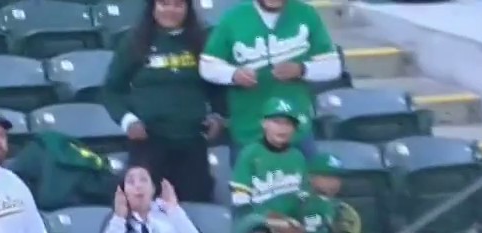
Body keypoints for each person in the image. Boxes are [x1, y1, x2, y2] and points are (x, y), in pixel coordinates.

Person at [103, 0, 222, 204]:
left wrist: (218, 116)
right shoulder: (134, 41)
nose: (171, 10)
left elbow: (217, 87)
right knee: (144, 211)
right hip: (148, 143)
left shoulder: (203, 42)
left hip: (192, 142)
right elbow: (111, 90)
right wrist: (128, 121)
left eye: (178, 5)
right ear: (153, 7)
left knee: (195, 208)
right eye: (164, 4)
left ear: (188, 9)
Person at [199, 0, 339, 156]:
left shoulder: (306, 14)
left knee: (306, 178)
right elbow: (207, 66)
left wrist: (302, 69)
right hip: (249, 128)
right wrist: (233, 75)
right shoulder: (233, 18)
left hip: (297, 127)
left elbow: (333, 66)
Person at [230, 98, 308, 217]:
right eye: (277, 122)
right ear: (264, 123)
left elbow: (303, 197)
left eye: (288, 123)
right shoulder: (250, 154)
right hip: (258, 224)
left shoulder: (298, 156)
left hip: (291, 223)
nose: (282, 129)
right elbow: (240, 200)